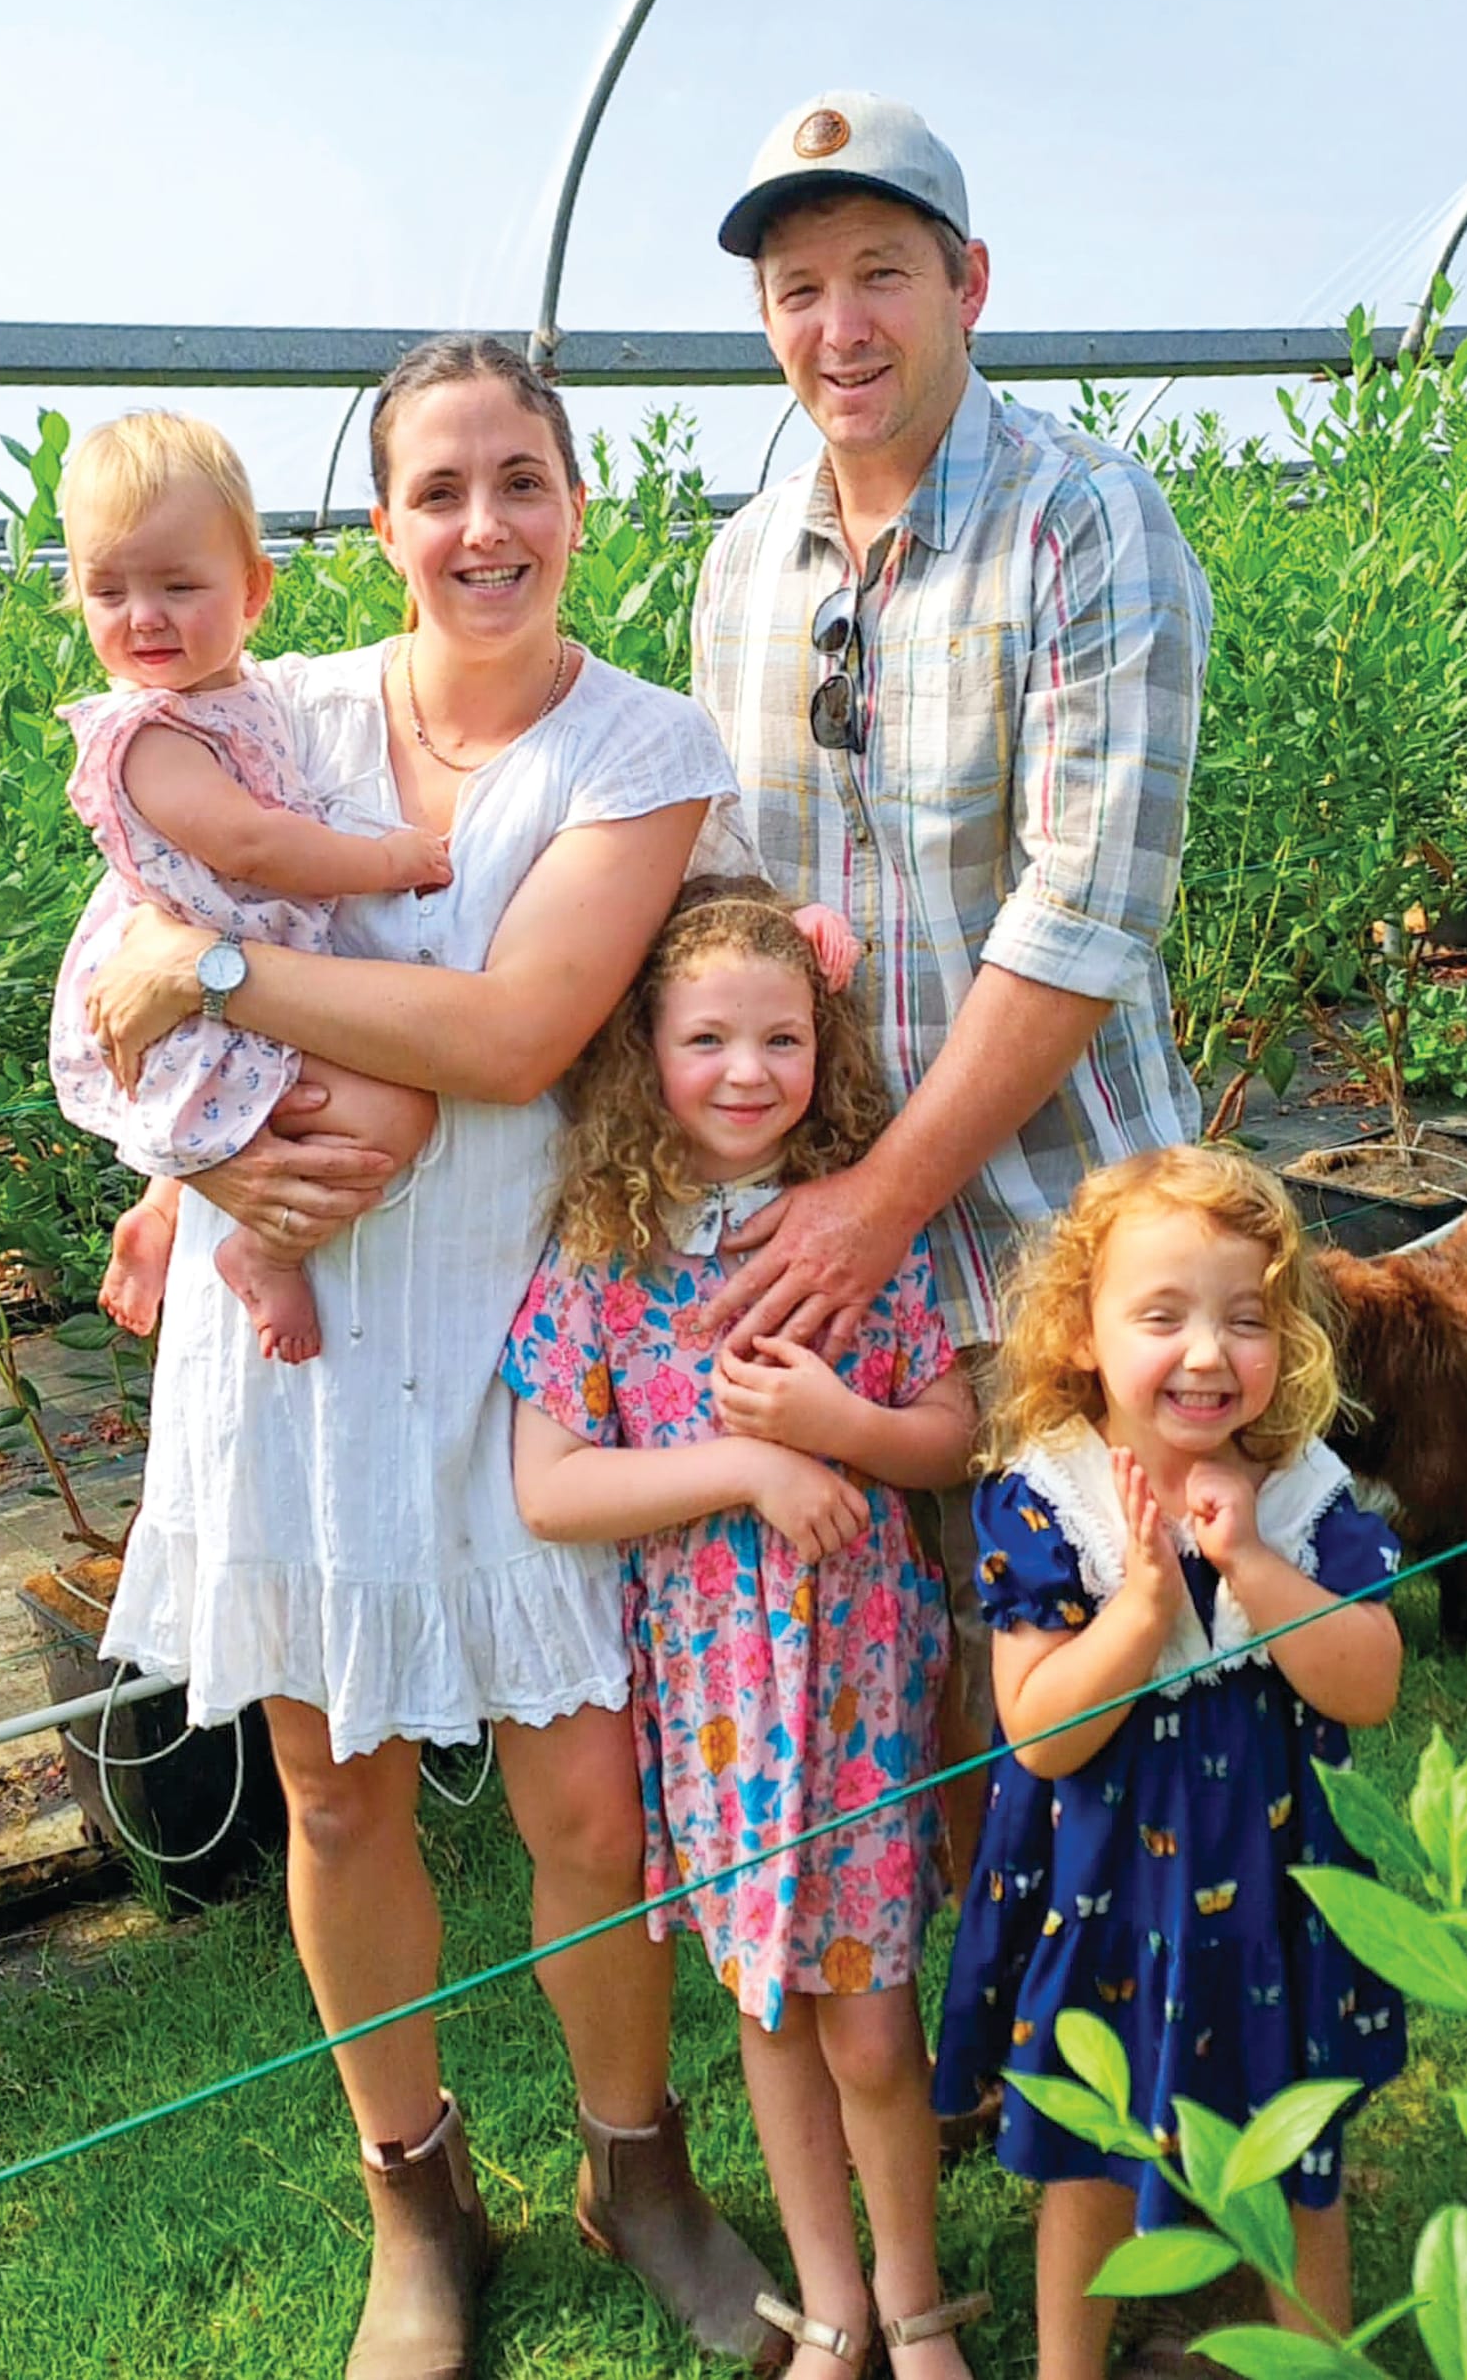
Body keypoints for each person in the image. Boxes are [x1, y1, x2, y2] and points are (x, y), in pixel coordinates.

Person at [77, 337, 780, 2380]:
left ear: (574, 502)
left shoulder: (640, 753)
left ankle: (635, 2170)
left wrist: (210, 964)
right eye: (436, 490)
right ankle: (418, 2194)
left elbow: (511, 1038)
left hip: (511, 1325)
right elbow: (98, 979)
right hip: (282, 1322)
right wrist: (188, 1163)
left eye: (518, 482)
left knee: (583, 1788)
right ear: (373, 530)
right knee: (326, 1774)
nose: (481, 527)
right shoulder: (261, 710)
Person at [691, 89, 1215, 1895]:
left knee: (1120, 1661)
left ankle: (1164, 2065)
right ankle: (983, 2046)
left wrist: (867, 1210)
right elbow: (731, 906)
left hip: (1059, 1223)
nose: (838, 328)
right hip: (835, 1220)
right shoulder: (742, 566)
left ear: (970, 282)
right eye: (798, 288)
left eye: (881, 275)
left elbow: (1084, 914)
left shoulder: (1086, 524)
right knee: (910, 1669)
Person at [505, 881, 989, 2380]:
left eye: (781, 1035)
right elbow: (552, 1483)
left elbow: (952, 1431)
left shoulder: (849, 1237)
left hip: (853, 1697)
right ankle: (828, 2306)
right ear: (643, 1050)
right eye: (705, 1034)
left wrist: (841, 1424)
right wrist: (752, 1464)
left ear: (823, 1049)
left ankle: (914, 2311)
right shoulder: (608, 1256)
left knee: (870, 2022)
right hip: (715, 1705)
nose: (744, 1068)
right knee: (770, 2012)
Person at [931, 1146, 1408, 2380]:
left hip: (1279, 1890)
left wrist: (1251, 1565)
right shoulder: (1048, 1501)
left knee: (1300, 2153)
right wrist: (1139, 1613)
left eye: (1245, 1319)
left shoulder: (1300, 1491)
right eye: (1162, 1315)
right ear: (1081, 1332)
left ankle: (1312, 2362)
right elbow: (1040, 1729)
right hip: (1102, 1901)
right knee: (1086, 2154)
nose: (1206, 1352)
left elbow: (1370, 1681)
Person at [50, 411, 446, 1365]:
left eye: (178, 585)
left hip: (230, 971)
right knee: (400, 1113)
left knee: (288, 1099)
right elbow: (257, 843)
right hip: (193, 995)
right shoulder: (147, 733)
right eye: (108, 589)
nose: (143, 615)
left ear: (254, 589)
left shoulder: (246, 693)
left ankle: (161, 1207)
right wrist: (390, 860)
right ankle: (262, 1247)